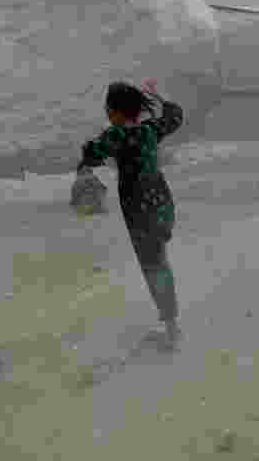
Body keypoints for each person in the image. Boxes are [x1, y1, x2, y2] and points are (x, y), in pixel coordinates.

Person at [78, 79, 183, 348]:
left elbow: (92, 153)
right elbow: (175, 117)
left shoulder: (117, 136)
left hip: (139, 209)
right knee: (161, 260)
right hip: (161, 201)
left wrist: (87, 156)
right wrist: (158, 97)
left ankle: (171, 327)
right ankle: (170, 322)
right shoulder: (149, 130)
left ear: (113, 111)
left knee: (153, 265)